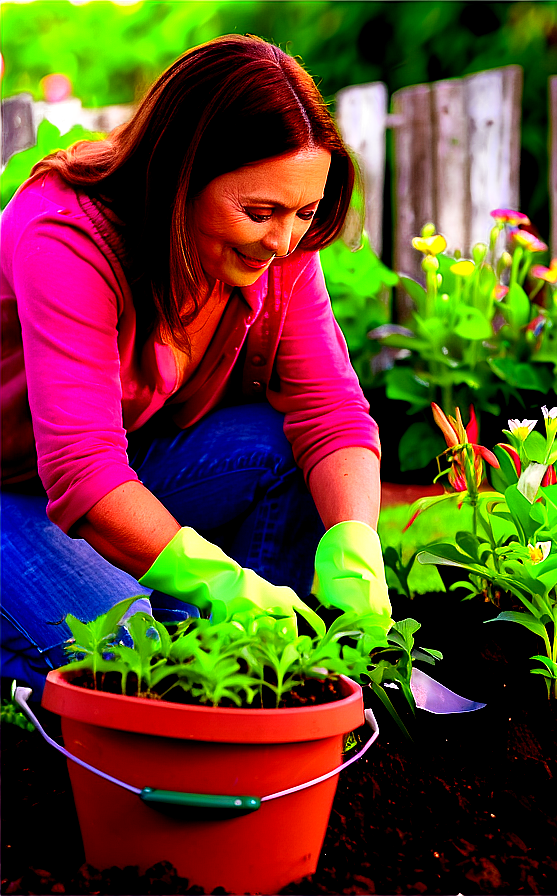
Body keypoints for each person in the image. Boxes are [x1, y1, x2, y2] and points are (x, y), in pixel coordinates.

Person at [1, 34, 391, 699]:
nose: (284, 242)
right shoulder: (66, 233)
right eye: (260, 213)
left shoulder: (278, 245)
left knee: (285, 453)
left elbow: (330, 411)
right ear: (182, 175)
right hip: (13, 486)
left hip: (120, 468)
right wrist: (220, 581)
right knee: (126, 645)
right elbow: (82, 470)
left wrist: (356, 544)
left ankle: (244, 664)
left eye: (304, 212)